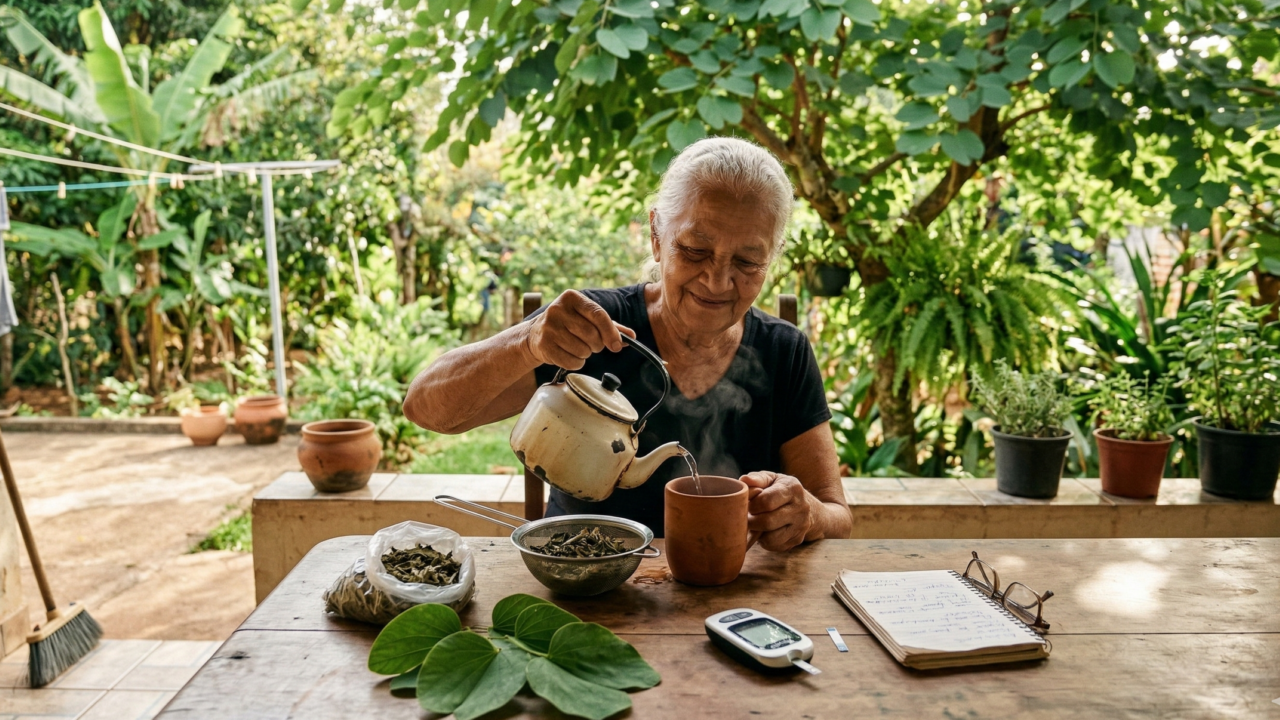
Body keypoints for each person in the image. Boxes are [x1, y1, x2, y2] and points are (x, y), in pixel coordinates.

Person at [405, 137, 852, 551]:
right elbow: (425, 409)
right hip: (584, 582)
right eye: (695, 250)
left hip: (729, 595)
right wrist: (526, 342)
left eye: (747, 261)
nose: (717, 280)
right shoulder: (590, 329)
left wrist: (808, 514)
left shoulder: (784, 351)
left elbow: (837, 514)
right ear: (657, 236)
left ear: (772, 257)